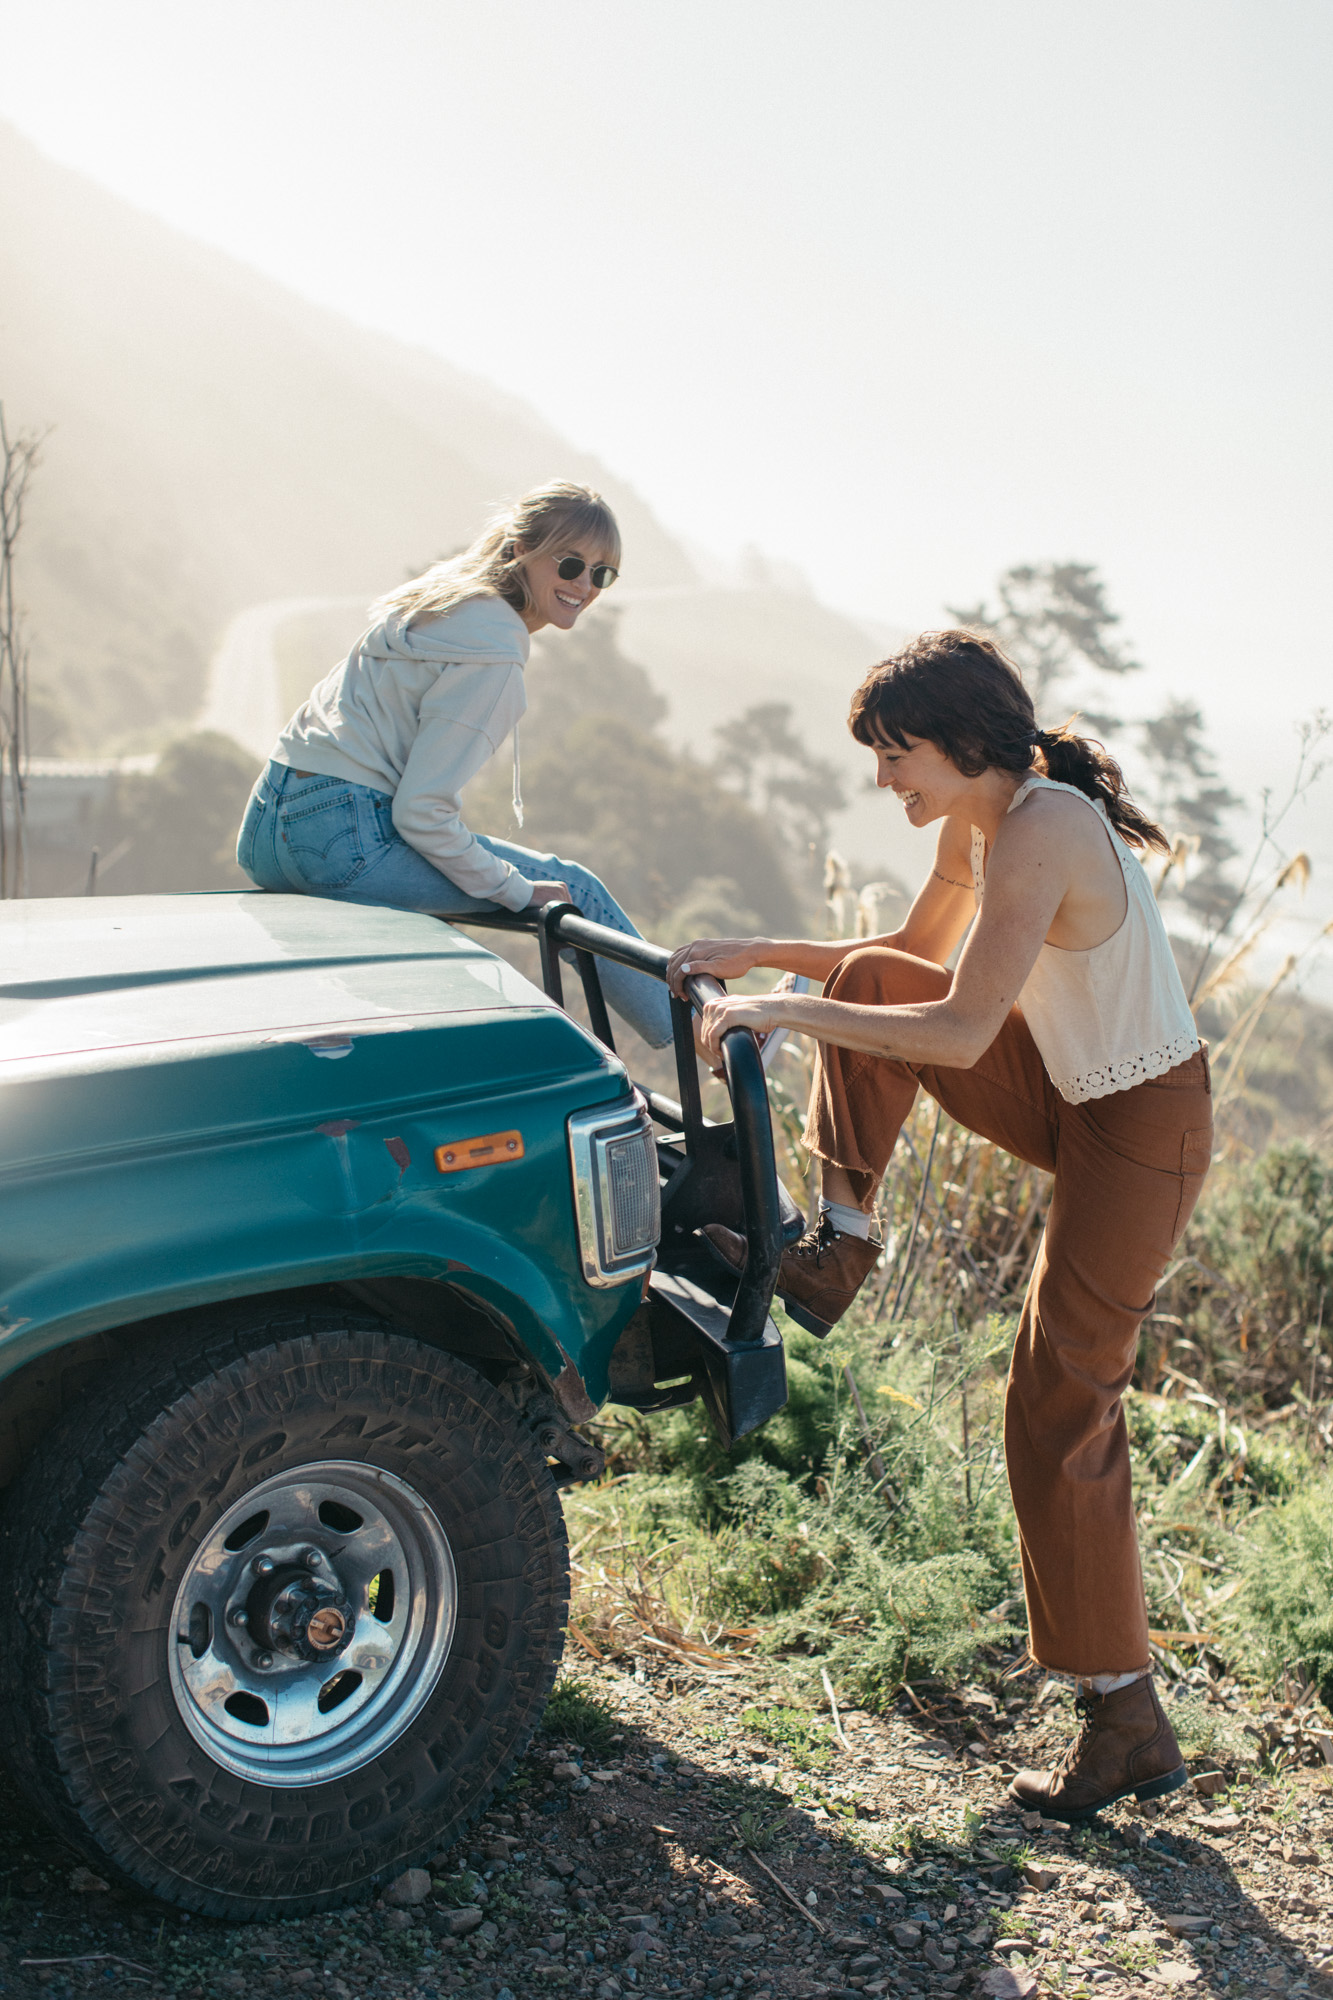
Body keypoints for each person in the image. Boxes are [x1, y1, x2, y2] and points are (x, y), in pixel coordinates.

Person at [667, 629, 1211, 1820]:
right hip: (1070, 1089)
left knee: (1058, 1391)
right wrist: (773, 961)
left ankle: (1125, 1720)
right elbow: (902, 964)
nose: (883, 782)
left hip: (1143, 1125)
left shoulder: (1047, 826)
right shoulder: (987, 818)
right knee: (861, 983)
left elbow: (960, 1031)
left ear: (964, 741)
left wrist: (776, 1010)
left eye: (895, 754)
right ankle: (839, 1248)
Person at [237, 481, 672, 1048]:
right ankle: (707, 1036)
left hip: (267, 830)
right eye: (570, 564)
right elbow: (421, 812)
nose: (584, 586)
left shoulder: (435, 604)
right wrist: (517, 891)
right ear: (520, 551)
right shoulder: (493, 650)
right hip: (343, 840)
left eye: (602, 574)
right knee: (572, 889)